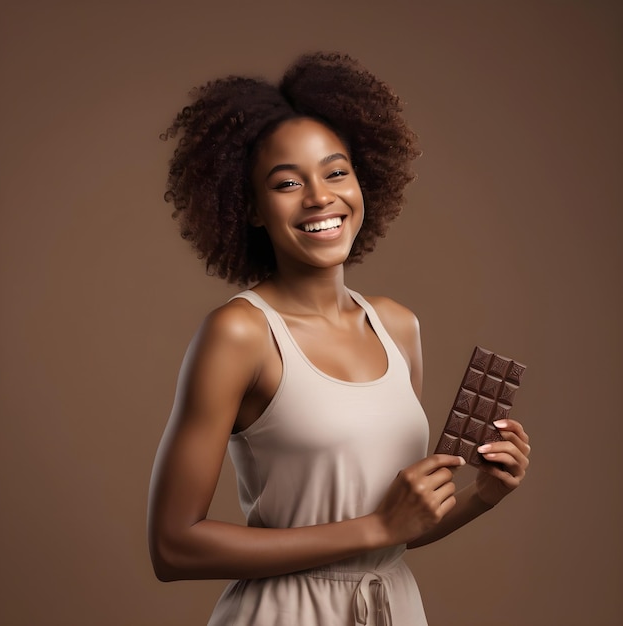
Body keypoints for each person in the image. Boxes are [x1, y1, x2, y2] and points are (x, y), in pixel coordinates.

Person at [147, 52, 531, 626]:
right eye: (285, 183)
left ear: (362, 180)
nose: (320, 197)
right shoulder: (241, 332)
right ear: (250, 208)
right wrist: (378, 527)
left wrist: (482, 495)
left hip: (391, 609)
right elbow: (173, 547)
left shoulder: (398, 326)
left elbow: (393, 532)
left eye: (335, 171)